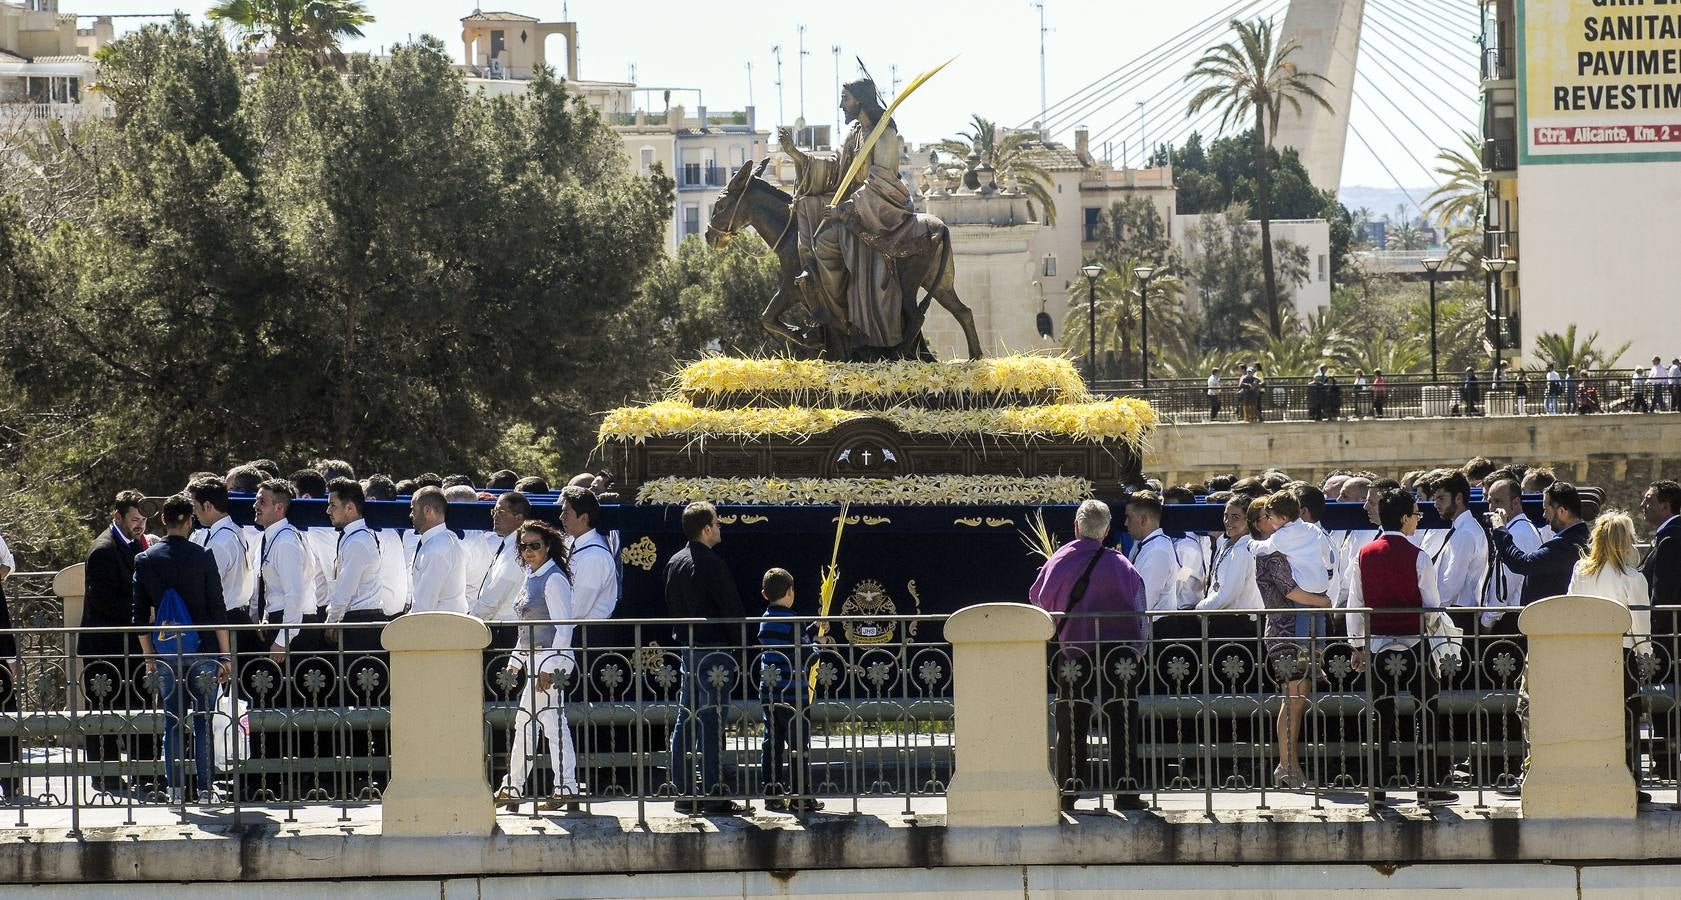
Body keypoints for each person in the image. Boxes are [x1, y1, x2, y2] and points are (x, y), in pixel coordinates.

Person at [1029, 499, 1149, 811]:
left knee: (1071, 720)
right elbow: (1140, 608)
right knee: (1122, 719)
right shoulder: (1122, 564)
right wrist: (1139, 650)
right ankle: (1126, 791)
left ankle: (1068, 791)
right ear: (1108, 530)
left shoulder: (1059, 560)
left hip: (1075, 652)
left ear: (1076, 527)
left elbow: (1038, 601)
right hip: (1120, 656)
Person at [1345, 488, 1458, 805]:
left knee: (1380, 715)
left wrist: (1357, 645)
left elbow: (1356, 603)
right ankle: (1426, 784)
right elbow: (1432, 606)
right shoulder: (1419, 556)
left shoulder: (1364, 554)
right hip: (1415, 645)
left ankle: (1377, 787)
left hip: (1378, 646)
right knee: (1426, 712)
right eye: (1417, 515)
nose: (1418, 521)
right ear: (1406, 518)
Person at [131, 495, 231, 804]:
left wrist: (149, 657)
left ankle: (174, 791)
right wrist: (225, 656)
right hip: (203, 649)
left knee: (172, 720)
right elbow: (218, 608)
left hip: (166, 652)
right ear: (189, 521)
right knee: (203, 719)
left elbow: (138, 616)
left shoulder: (145, 560)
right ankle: (204, 791)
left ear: (163, 520)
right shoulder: (203, 556)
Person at [663, 501, 749, 815]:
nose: (721, 527)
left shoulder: (674, 561)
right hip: (713, 652)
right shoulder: (712, 563)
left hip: (687, 649)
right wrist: (741, 647)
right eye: (717, 522)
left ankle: (684, 791)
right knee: (712, 720)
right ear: (707, 528)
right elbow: (730, 608)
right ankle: (713, 793)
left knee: (686, 719)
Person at [495, 521, 581, 812]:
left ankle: (548, 787)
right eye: (524, 545)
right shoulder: (531, 576)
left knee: (545, 724)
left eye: (534, 545)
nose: (529, 551)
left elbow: (564, 627)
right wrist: (515, 663)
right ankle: (519, 787)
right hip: (535, 657)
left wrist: (551, 666)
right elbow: (526, 630)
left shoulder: (553, 578)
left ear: (547, 546)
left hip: (548, 660)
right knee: (536, 724)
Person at [1251, 493, 1333, 790]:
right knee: (1294, 699)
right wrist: (1323, 602)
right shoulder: (1270, 553)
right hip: (1286, 632)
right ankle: (1288, 767)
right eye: (1264, 517)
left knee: (1297, 700)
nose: (1270, 522)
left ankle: (1288, 766)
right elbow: (1290, 591)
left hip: (1298, 628)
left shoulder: (1286, 545)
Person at [80, 490, 152, 795]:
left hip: (128, 645)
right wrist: (145, 612)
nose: (140, 525)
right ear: (117, 517)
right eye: (134, 519)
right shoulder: (104, 550)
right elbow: (105, 603)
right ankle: (105, 775)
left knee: (137, 706)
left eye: (143, 519)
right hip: (105, 645)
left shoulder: (135, 544)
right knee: (104, 712)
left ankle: (142, 771)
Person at [755, 568, 823, 813]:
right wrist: (818, 644)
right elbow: (806, 656)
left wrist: (812, 629)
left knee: (771, 743)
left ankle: (772, 793)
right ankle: (800, 795)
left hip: (770, 693)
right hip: (795, 695)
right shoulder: (792, 623)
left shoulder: (765, 621)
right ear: (791, 591)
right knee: (798, 746)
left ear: (765, 594)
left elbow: (793, 639)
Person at [187, 479, 257, 661]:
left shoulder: (220, 541)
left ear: (208, 505)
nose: (193, 513)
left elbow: (207, 586)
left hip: (227, 619)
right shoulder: (232, 530)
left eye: (195, 506)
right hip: (236, 616)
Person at [1490, 481, 1592, 606]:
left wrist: (1500, 531)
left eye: (1546, 509)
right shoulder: (1582, 537)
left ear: (1562, 512)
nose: (1544, 515)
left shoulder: (1565, 545)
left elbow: (1522, 563)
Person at [322, 478, 389, 652]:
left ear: (350, 507)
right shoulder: (355, 537)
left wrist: (331, 621)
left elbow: (345, 587)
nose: (328, 510)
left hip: (361, 623)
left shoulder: (358, 541)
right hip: (358, 620)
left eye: (333, 505)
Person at [1428, 472, 1490, 630]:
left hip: (1458, 615)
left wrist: (1432, 615)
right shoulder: (1463, 528)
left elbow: (1451, 581)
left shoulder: (1465, 532)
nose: (1436, 504)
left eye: (1441, 498)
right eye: (1435, 499)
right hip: (1456, 612)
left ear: (1458, 498)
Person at [1479, 478, 1541, 635]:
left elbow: (1503, 588)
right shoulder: (1519, 528)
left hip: (1509, 622)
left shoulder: (1517, 533)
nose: (1492, 508)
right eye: (1490, 501)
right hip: (1514, 618)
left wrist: (1486, 624)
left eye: (1498, 501)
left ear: (1515, 502)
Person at [559, 486, 619, 646]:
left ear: (584, 518)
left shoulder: (594, 556)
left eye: (566, 513)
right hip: (574, 631)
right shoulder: (573, 543)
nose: (560, 517)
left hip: (587, 637)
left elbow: (577, 609)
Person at [471, 491, 530, 648]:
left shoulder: (516, 549)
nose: (495, 516)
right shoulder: (509, 544)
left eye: (501, 512)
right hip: (499, 625)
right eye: (494, 511)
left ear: (519, 518)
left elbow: (495, 594)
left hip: (506, 630)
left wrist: (471, 620)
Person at [408, 486, 467, 614]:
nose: (411, 515)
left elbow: (424, 606)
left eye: (413, 510)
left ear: (428, 511)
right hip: (439, 624)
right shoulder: (441, 541)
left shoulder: (437, 549)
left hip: (438, 627)